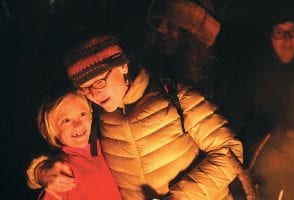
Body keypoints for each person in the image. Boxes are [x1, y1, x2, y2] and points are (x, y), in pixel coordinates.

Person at [26, 34, 242, 199]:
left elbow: (230, 152)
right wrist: (39, 171)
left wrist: (180, 197)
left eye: (100, 80)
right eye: (85, 88)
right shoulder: (98, 118)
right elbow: (75, 153)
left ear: (122, 66)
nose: (95, 92)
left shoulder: (175, 97)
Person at [27, 90, 122, 200]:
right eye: (66, 120)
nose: (78, 124)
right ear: (52, 131)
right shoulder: (61, 170)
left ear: (90, 113)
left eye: (82, 114)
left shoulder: (107, 144)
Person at [251, 6, 294, 200]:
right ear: (270, 37)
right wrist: (268, 150)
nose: (287, 39)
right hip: (268, 172)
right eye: (279, 32)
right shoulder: (254, 75)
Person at [142, 0, 221, 100]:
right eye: (159, 20)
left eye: (172, 23)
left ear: (191, 35)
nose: (160, 28)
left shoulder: (218, 82)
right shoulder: (146, 67)